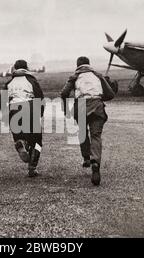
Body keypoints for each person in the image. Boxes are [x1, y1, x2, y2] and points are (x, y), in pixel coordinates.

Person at [61, 56, 115, 186]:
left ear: (77, 65)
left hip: (80, 106)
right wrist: (99, 98)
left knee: (82, 132)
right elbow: (110, 94)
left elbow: (64, 93)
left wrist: (67, 106)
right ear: (89, 64)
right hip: (97, 105)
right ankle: (95, 162)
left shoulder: (74, 77)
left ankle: (86, 157)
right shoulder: (98, 75)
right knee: (96, 135)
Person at [0, 60, 45, 177]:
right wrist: (40, 113)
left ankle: (20, 142)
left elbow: (2, 100)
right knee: (37, 141)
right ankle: (32, 168)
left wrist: (5, 114)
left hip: (14, 110)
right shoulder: (32, 80)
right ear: (26, 68)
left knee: (20, 136)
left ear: (15, 68)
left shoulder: (9, 82)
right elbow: (40, 97)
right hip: (30, 108)